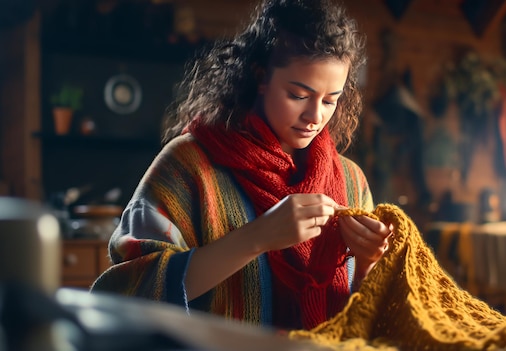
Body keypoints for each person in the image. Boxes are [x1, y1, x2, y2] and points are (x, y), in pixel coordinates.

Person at [91, 0, 392, 331]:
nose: (315, 116)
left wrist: (366, 264)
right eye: (298, 95)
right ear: (260, 76)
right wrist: (256, 238)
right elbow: (124, 293)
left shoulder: (350, 180)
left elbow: (365, 321)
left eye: (330, 100)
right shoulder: (189, 166)